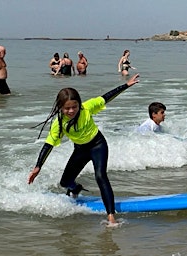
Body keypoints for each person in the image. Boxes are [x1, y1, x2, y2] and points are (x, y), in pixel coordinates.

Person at [27, 74, 141, 227]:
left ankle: (111, 216)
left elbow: (106, 97)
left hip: (98, 145)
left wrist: (126, 85)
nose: (71, 110)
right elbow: (48, 145)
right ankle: (77, 188)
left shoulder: (86, 108)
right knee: (65, 182)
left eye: (74, 106)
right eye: (67, 108)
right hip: (80, 149)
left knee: (100, 176)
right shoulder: (59, 124)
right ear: (60, 107)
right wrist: (38, 166)